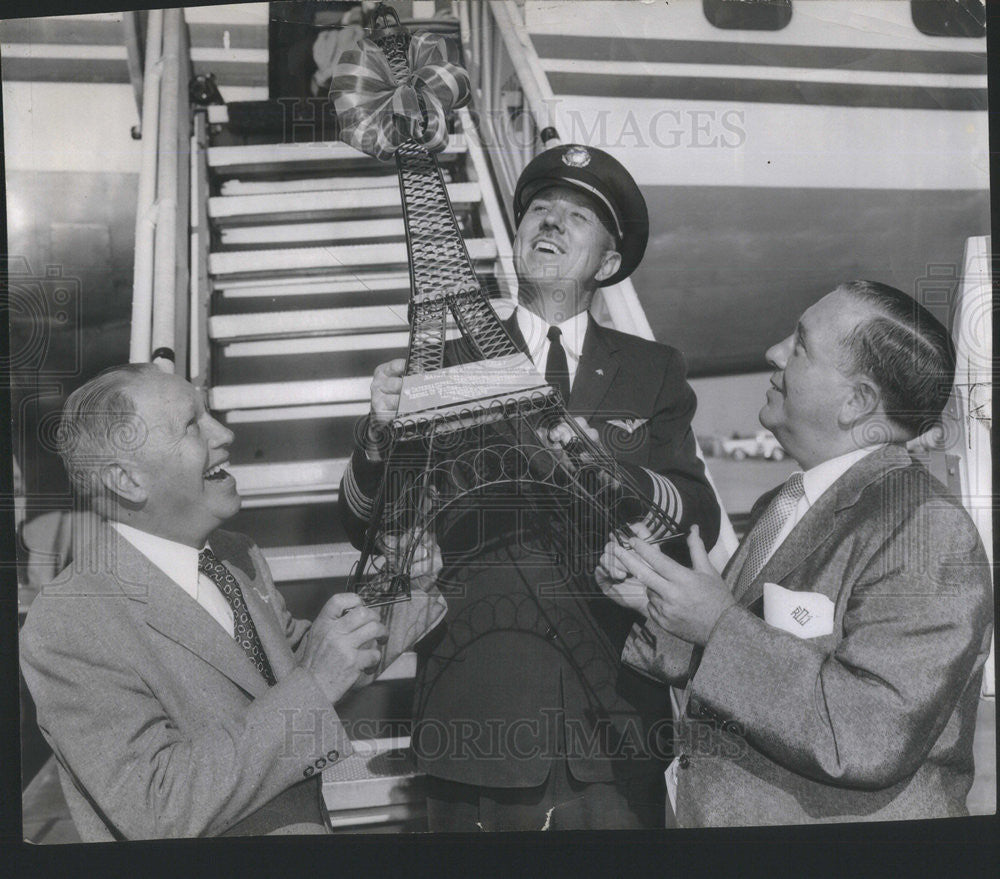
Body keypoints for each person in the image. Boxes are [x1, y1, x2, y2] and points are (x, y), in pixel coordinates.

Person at [340, 144, 721, 830]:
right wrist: (376, 435)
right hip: (477, 711)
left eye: (576, 217)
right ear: (515, 237)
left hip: (613, 721)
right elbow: (368, 528)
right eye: (539, 210)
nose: (550, 223)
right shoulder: (448, 359)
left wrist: (605, 465)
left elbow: (699, 515)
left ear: (606, 262)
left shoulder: (653, 368)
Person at [600, 280, 994, 825]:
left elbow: (867, 733)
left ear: (857, 403)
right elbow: (745, 654)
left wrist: (716, 622)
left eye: (801, 344)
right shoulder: (782, 504)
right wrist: (660, 600)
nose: (774, 353)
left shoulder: (929, 529)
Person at [20, 363, 387, 839]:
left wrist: (404, 592)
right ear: (126, 480)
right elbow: (157, 805)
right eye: (192, 424)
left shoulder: (237, 553)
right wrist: (315, 684)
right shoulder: (69, 623)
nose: (225, 432)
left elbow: (293, 679)